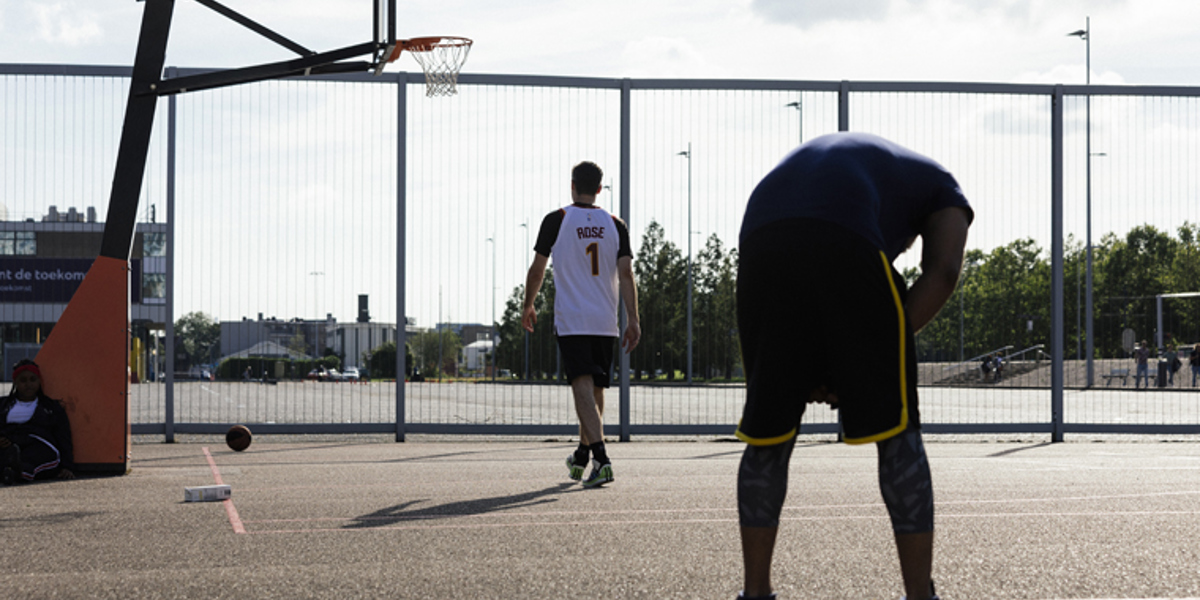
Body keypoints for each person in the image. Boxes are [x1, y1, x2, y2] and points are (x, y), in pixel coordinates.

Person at [734, 132, 972, 600]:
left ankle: (755, 592)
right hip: (843, 231)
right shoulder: (946, 190)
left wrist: (838, 360)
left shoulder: (876, 171)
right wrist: (874, 352)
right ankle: (919, 597)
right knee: (897, 436)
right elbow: (943, 271)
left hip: (760, 236)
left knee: (768, 433)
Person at [522, 161, 640, 489]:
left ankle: (601, 457)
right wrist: (633, 319)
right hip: (605, 320)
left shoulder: (557, 219)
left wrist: (528, 303)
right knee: (594, 388)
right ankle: (582, 455)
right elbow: (627, 275)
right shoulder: (616, 224)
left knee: (581, 385)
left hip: (574, 318)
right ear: (600, 189)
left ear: (572, 185)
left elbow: (538, 269)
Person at [1, 359, 75, 485]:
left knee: (36, 456)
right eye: (23, 380)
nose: (28, 384)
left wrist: (67, 466)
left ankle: (18, 471)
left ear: (39, 381)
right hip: (10, 443)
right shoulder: (3, 405)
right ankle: (11, 471)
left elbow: (63, 436)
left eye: (32, 379)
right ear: (15, 382)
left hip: (37, 443)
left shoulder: (51, 407)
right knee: (8, 453)